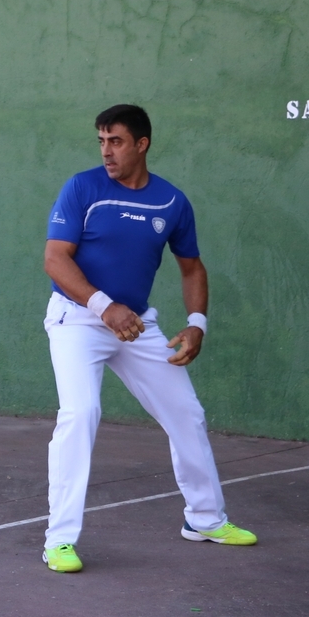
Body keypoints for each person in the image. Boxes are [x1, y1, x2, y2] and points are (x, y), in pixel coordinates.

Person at [40, 104, 256, 573]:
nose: (106, 151)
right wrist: (104, 306)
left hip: (137, 325)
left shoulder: (171, 202)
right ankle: (59, 541)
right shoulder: (83, 188)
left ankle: (205, 520)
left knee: (186, 414)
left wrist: (197, 323)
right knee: (81, 413)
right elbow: (55, 259)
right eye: (101, 141)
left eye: (116, 141)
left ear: (142, 144)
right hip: (77, 320)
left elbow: (191, 267)